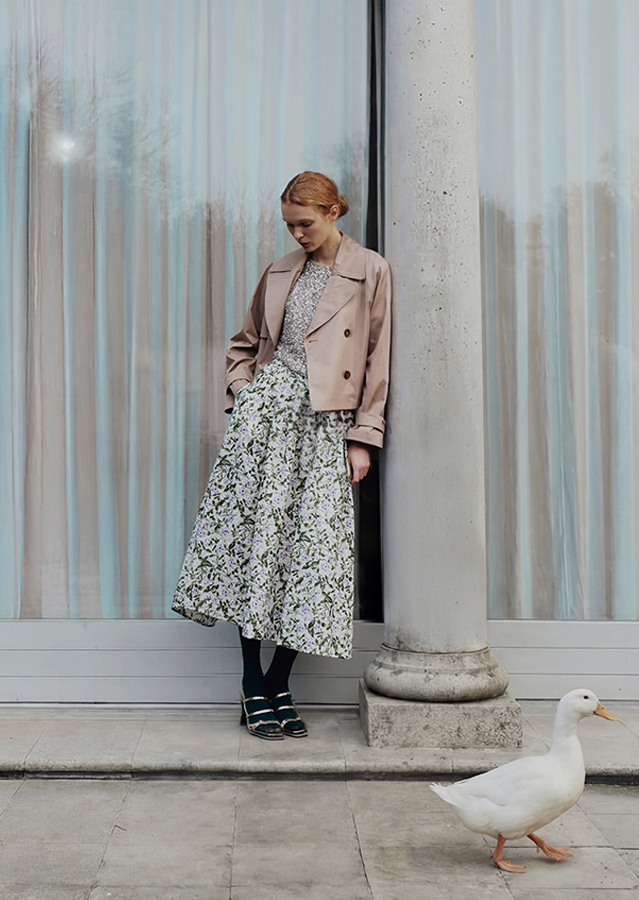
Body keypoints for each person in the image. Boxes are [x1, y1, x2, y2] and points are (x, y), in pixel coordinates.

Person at [172, 171, 391, 740]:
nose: (297, 234)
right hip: (264, 423)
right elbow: (243, 344)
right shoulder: (278, 272)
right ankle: (253, 684)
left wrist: (363, 436)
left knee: (311, 556)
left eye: (305, 223)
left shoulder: (370, 270)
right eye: (290, 225)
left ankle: (277, 682)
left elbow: (377, 357)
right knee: (254, 546)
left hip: (324, 426)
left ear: (334, 211)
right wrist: (245, 393)